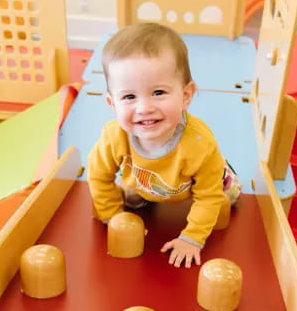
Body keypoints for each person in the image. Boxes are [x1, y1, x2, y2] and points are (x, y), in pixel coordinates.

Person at [87, 23, 241, 268]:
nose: (144, 108)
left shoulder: (200, 144)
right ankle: (145, 195)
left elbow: (209, 197)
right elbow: (98, 176)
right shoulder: (113, 136)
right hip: (150, 182)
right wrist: (112, 216)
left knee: (227, 199)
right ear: (112, 103)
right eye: (129, 97)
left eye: (158, 92)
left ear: (186, 95)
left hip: (202, 183)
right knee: (130, 195)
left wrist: (192, 238)